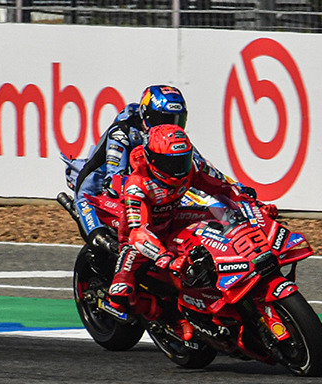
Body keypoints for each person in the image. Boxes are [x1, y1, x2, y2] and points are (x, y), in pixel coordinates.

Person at [101, 124, 277, 334]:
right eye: (170, 162)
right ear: (152, 159)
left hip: (172, 221)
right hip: (140, 240)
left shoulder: (190, 169)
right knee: (120, 294)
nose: (177, 168)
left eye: (182, 160)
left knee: (222, 219)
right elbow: (138, 233)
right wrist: (166, 258)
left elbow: (224, 189)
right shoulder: (137, 185)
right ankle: (163, 317)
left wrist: (255, 207)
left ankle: (227, 279)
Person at [69, 85, 190, 249]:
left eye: (177, 121)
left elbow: (199, 165)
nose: (170, 127)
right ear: (147, 116)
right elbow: (115, 179)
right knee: (102, 239)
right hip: (95, 192)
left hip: (135, 185)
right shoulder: (122, 133)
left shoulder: (170, 138)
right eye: (164, 120)